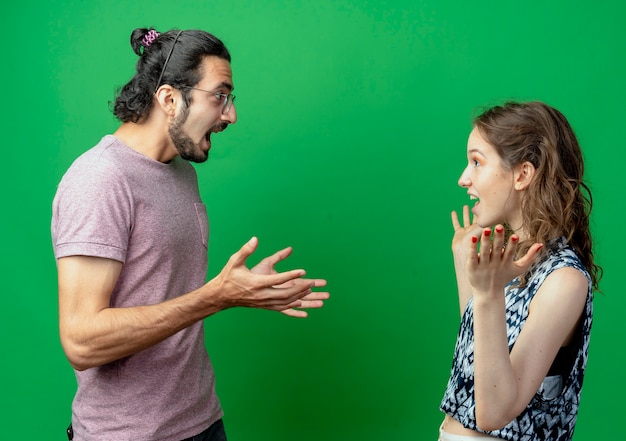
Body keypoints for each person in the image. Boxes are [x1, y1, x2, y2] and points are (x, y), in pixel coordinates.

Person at [51, 27, 329, 441]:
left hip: (200, 422)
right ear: (168, 98)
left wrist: (246, 289)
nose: (230, 115)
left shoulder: (181, 173)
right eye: (220, 95)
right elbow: (81, 341)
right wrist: (217, 296)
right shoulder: (100, 179)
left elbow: (165, 293)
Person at [438, 101, 601, 441]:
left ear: (523, 174)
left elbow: (493, 413)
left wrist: (486, 293)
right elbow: (479, 363)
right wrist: (466, 268)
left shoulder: (564, 279)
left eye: (477, 162)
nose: (463, 178)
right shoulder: (512, 260)